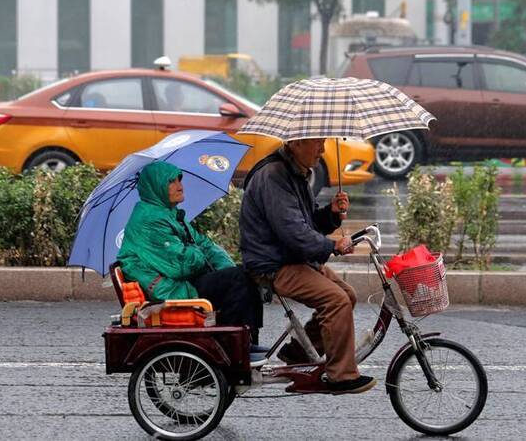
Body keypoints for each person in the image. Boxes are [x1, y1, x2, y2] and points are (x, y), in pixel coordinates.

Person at [239, 138, 377, 395]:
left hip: (291, 258)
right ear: (297, 143)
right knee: (336, 300)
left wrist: (331, 214)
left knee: (347, 295)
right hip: (272, 264)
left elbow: (309, 221)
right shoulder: (273, 176)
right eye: (318, 144)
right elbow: (293, 232)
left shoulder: (295, 173)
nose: (323, 150)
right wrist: (332, 246)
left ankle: (298, 352)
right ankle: (340, 375)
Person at [117, 161, 262, 339]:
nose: (180, 186)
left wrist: (221, 264)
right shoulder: (150, 221)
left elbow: (204, 244)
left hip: (182, 282)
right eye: (172, 182)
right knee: (236, 280)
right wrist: (198, 252)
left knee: (246, 273)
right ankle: (232, 341)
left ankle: (249, 336)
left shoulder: (168, 213)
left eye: (179, 179)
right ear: (156, 187)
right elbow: (181, 264)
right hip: (171, 289)